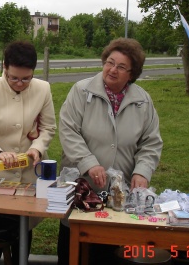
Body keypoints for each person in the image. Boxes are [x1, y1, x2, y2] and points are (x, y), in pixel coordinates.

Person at [57, 38, 163, 265]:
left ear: (132, 74)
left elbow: (151, 142)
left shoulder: (142, 101)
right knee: (73, 251)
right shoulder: (81, 91)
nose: (112, 70)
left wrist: (142, 171)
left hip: (119, 193)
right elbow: (68, 131)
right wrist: (88, 162)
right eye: (110, 62)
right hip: (81, 189)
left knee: (111, 251)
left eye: (121, 67)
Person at [0, 41, 56, 265]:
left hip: (28, 172)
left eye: (26, 79)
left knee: (23, 229)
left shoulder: (42, 89)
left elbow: (48, 127)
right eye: (14, 78)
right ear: (4, 67)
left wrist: (37, 147)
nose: (19, 83)